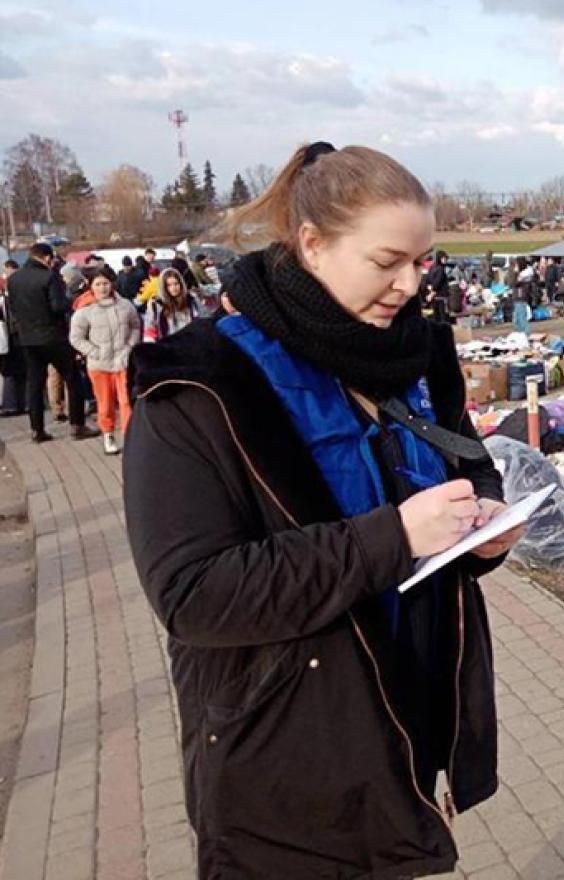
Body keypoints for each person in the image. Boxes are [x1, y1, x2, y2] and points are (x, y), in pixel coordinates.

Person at [123, 142, 518, 878]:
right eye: (386, 261)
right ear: (311, 244)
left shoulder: (418, 355)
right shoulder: (198, 383)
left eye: (422, 262)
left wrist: (487, 521)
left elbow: (468, 462)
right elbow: (194, 595)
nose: (409, 285)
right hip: (284, 761)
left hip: (405, 731)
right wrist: (394, 536)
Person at [6, 243, 97, 442]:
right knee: (73, 379)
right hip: (53, 337)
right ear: (47, 258)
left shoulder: (13, 280)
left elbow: (13, 308)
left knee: (35, 384)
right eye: (53, 259)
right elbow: (58, 306)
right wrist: (69, 302)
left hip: (28, 339)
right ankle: (78, 425)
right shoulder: (49, 277)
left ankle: (37, 430)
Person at [69, 266, 140, 455]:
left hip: (123, 361)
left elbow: (135, 326)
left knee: (126, 402)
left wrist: (130, 346)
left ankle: (130, 436)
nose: (103, 288)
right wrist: (94, 352)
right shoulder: (84, 310)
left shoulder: (125, 305)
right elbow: (76, 338)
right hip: (99, 365)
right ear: (91, 286)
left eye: (106, 283)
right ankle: (108, 434)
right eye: (98, 284)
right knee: (105, 402)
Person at [143, 268, 203, 342]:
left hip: (190, 344)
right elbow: (150, 328)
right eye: (169, 285)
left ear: (181, 283)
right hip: (167, 346)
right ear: (164, 287)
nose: (173, 288)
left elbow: (202, 320)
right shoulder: (155, 304)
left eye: (176, 284)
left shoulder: (191, 299)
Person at [0, 260, 26, 417]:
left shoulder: (6, 300)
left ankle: (11, 404)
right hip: (16, 337)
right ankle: (21, 403)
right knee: (21, 372)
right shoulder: (14, 299)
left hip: (9, 338)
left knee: (10, 373)